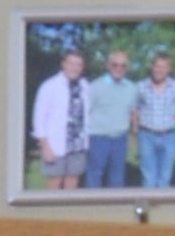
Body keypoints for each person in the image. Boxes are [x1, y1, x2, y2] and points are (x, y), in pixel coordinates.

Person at [29, 46, 90, 190]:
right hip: (55, 145)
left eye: (78, 65)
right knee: (54, 184)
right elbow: (39, 118)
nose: (74, 68)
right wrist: (45, 146)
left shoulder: (85, 86)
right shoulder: (49, 86)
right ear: (63, 64)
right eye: (71, 64)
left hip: (78, 145)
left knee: (73, 182)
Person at [82, 48, 139, 188]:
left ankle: (114, 208)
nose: (119, 68)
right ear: (108, 65)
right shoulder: (95, 87)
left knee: (117, 176)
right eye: (115, 64)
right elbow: (85, 113)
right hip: (98, 138)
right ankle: (92, 206)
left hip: (120, 139)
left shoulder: (131, 88)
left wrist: (135, 134)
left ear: (127, 68)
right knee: (95, 174)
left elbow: (133, 111)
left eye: (123, 65)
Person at [134, 49, 175, 189]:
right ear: (152, 67)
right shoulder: (141, 86)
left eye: (164, 67)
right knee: (148, 177)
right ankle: (148, 208)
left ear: (169, 69)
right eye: (157, 66)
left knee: (165, 177)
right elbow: (135, 109)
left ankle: (162, 209)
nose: (159, 70)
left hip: (168, 136)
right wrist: (135, 131)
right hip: (146, 135)